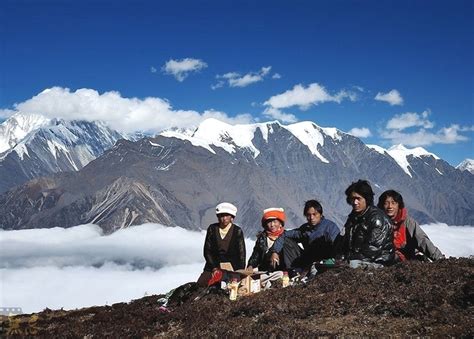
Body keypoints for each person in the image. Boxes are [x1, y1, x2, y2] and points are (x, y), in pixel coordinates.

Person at [271, 200, 343, 271]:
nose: (311, 218)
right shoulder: (305, 229)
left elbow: (337, 247)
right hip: (308, 261)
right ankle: (292, 271)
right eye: (308, 215)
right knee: (287, 241)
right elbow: (284, 234)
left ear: (320, 214)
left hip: (325, 261)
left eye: (314, 214)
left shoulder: (330, 227)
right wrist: (275, 252)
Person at [378, 190, 444, 262]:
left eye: (393, 203)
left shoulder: (408, 222)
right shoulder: (377, 222)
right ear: (381, 206)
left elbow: (422, 241)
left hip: (406, 259)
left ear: (399, 205)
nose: (390, 206)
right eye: (386, 203)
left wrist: (440, 260)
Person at [343, 180, 394, 267]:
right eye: (353, 199)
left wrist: (347, 260)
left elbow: (372, 250)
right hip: (357, 260)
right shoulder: (353, 218)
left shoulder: (378, 219)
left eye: (358, 199)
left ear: (366, 199)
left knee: (349, 266)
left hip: (378, 263)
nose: (355, 202)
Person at [197, 202, 246, 287]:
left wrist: (239, 271)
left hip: (232, 267)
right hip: (213, 265)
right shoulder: (212, 229)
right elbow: (207, 251)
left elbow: (241, 253)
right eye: (221, 216)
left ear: (232, 217)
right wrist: (214, 268)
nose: (224, 218)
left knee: (233, 287)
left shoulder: (237, 231)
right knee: (202, 285)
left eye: (227, 216)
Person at [247, 208, 301, 272]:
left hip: (285, 270)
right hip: (267, 269)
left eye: (275, 222)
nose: (272, 225)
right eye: (269, 222)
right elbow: (256, 255)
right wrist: (250, 265)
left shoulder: (287, 238)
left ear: (280, 224)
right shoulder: (262, 239)